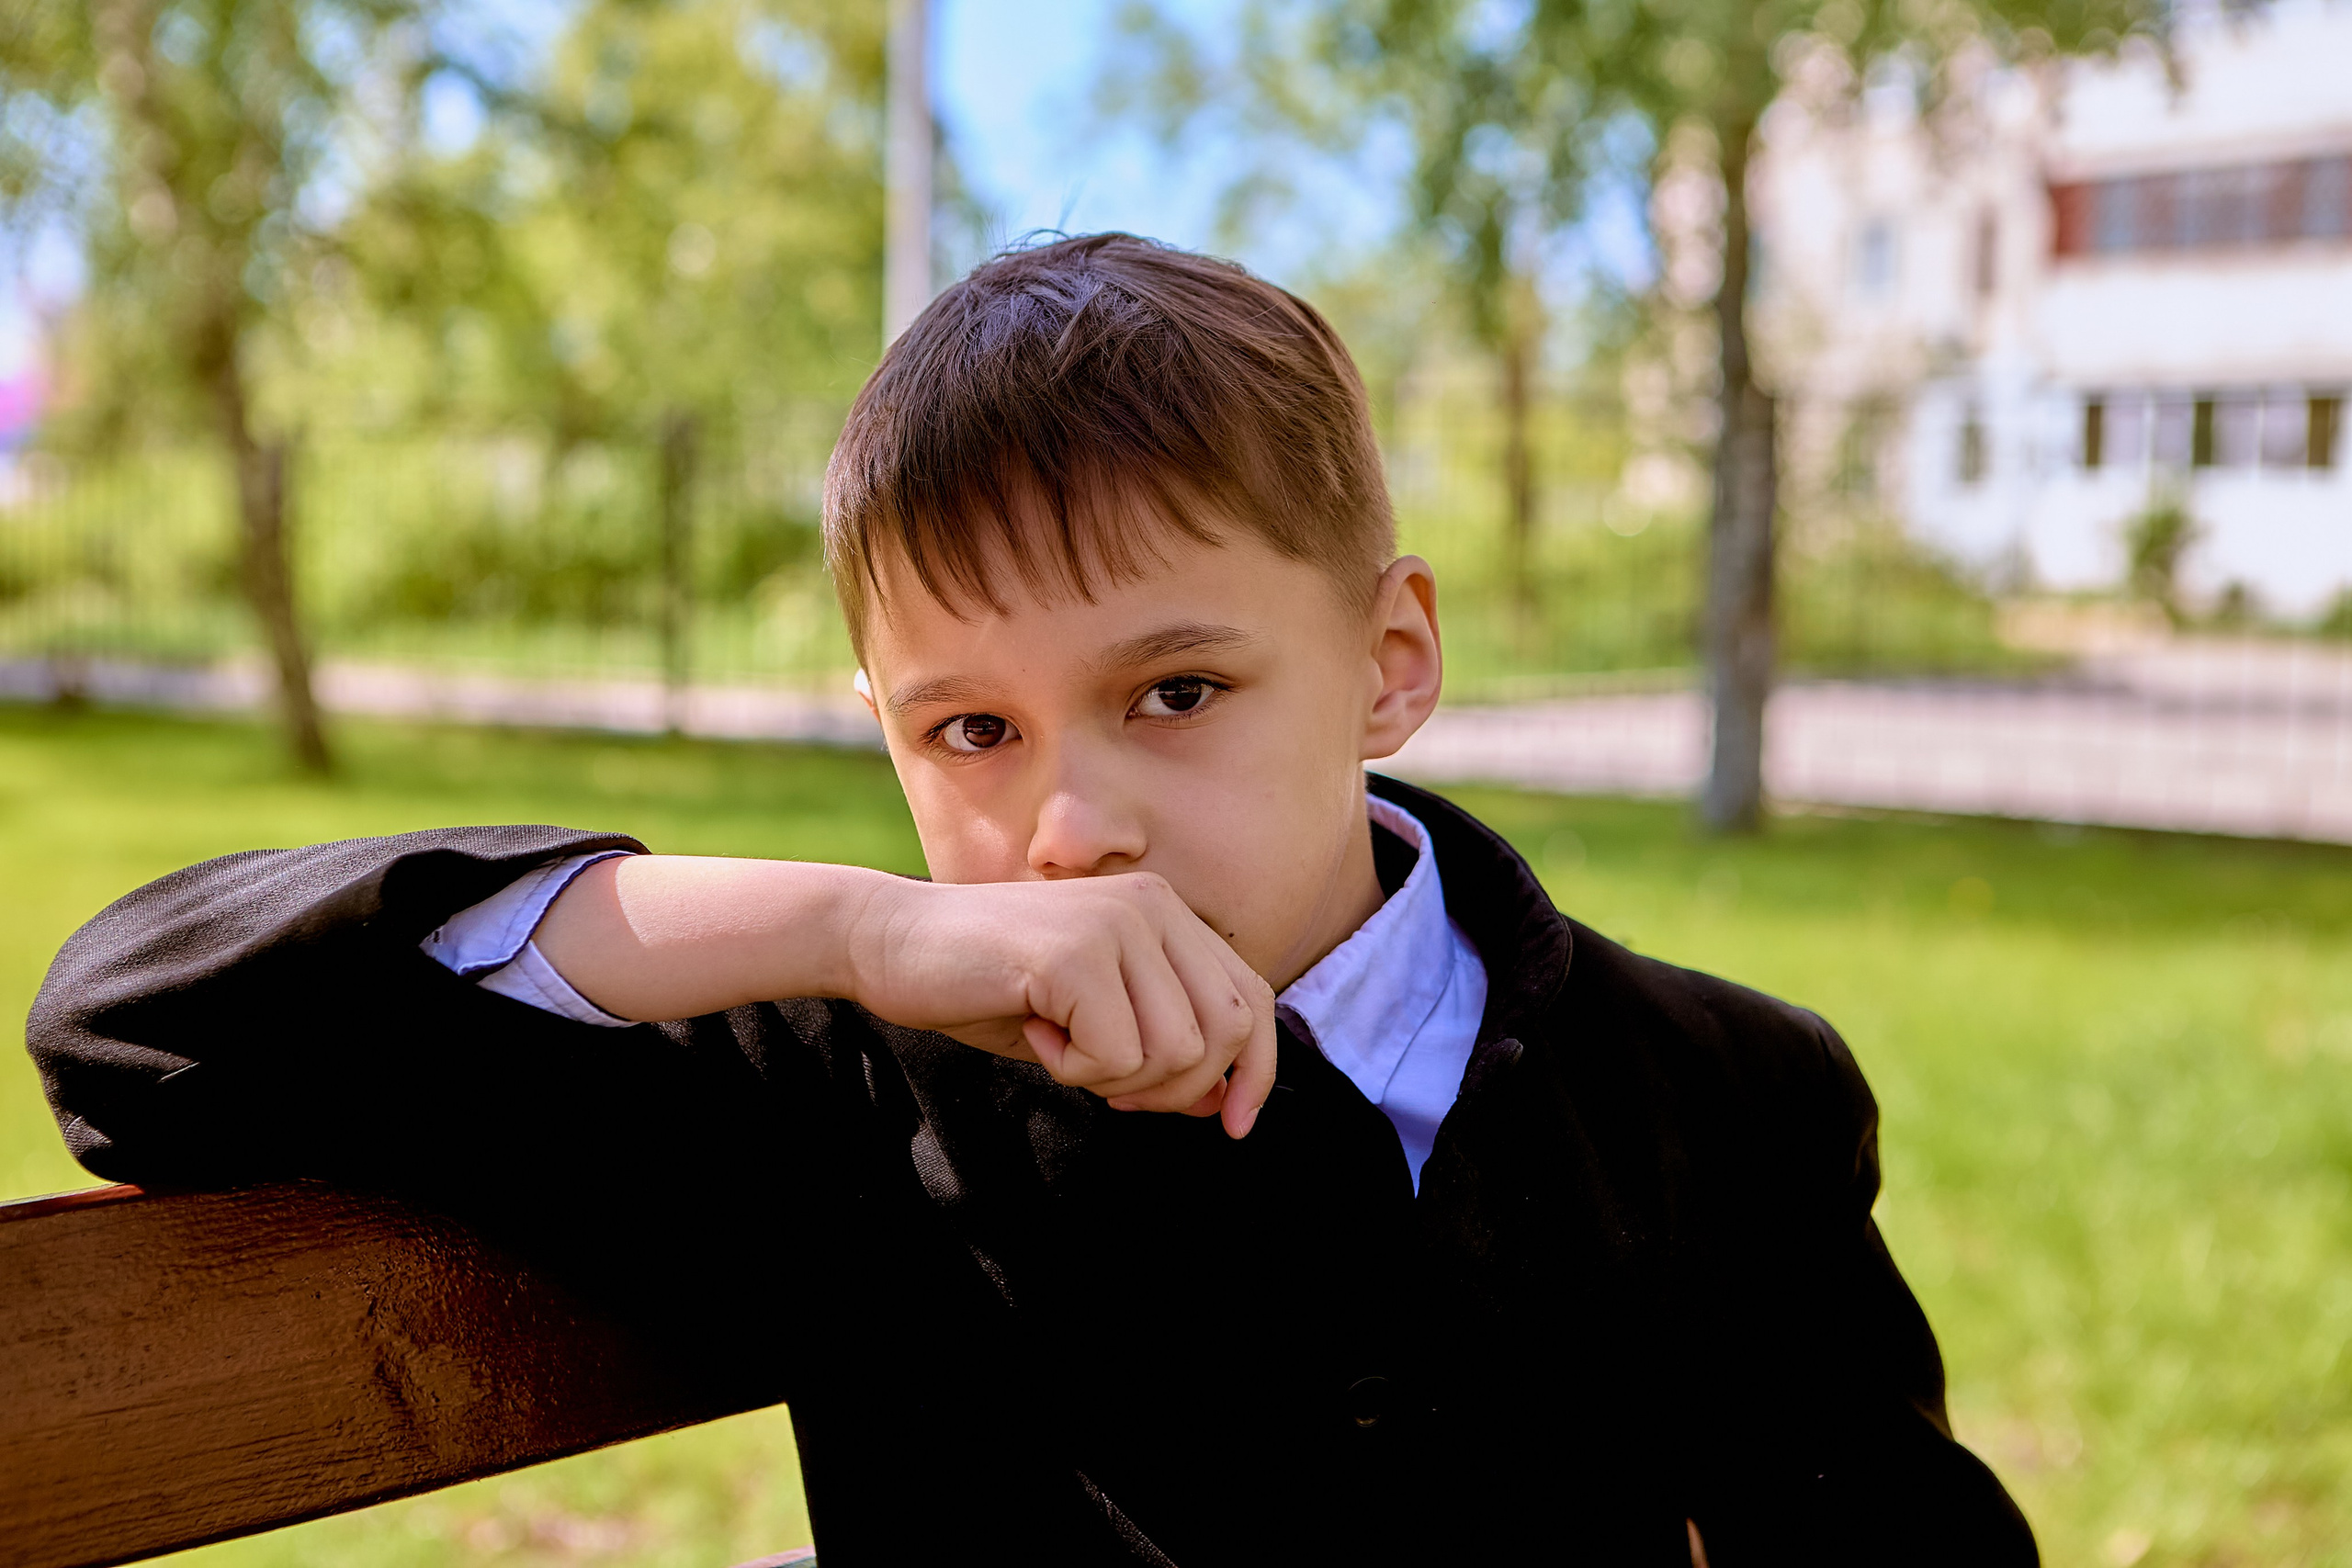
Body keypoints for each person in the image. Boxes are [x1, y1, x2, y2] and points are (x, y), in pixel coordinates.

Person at [28, 233, 2034, 1566]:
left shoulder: (1723, 1090)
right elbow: (136, 1031)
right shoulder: (831, 1082)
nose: (1069, 825)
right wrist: (855, 930)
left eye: (1175, 690)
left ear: (1387, 658)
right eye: (966, 731)